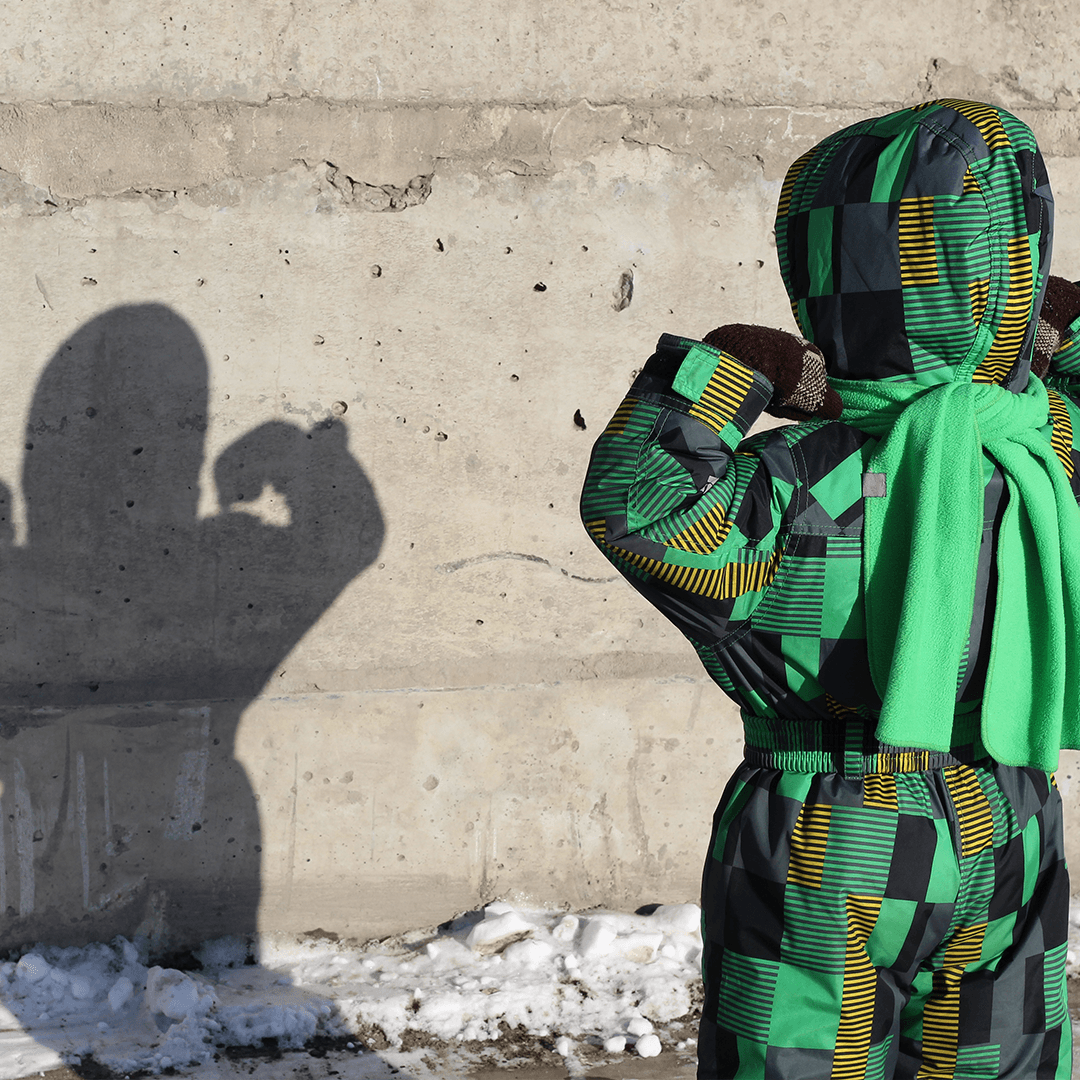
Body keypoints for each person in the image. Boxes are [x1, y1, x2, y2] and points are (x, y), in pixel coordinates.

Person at [580, 99, 1080, 1079]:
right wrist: (1048, 326)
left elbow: (639, 504)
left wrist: (735, 362)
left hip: (825, 829)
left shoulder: (791, 480)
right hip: (1009, 815)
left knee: (798, 1059)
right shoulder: (1046, 450)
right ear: (1007, 267)